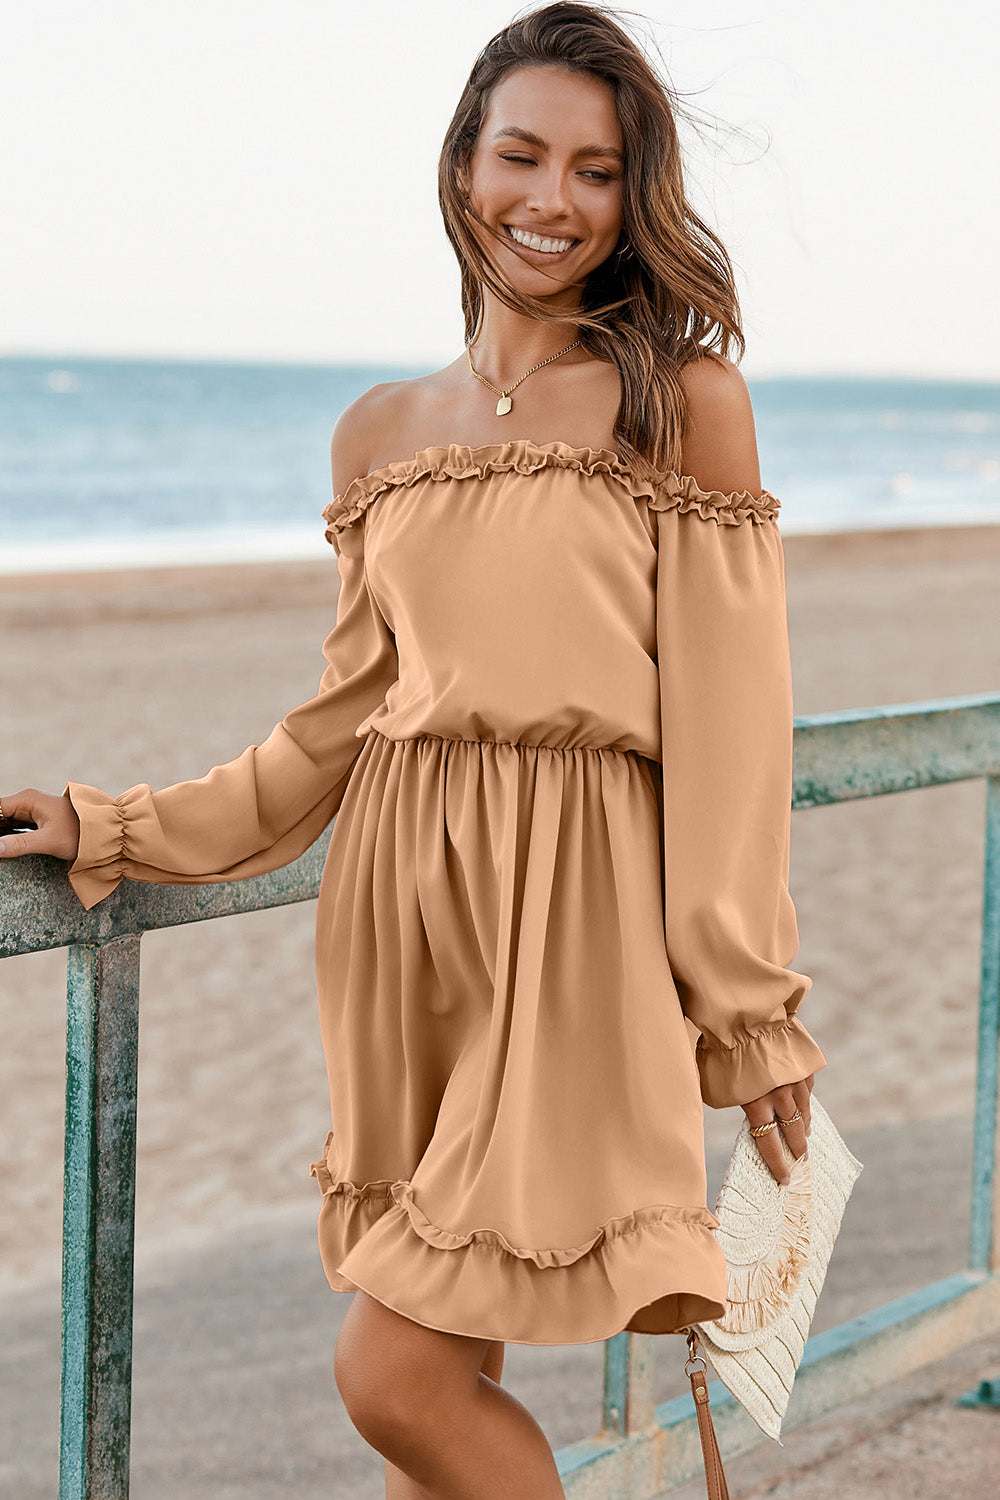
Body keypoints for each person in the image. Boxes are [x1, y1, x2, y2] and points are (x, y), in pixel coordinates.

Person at [1, 4, 829, 1495]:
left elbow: (730, 732)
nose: (552, 202)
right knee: (455, 1355)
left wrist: (748, 1001)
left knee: (394, 1376)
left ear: (632, 195)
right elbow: (338, 720)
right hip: (402, 924)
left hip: (575, 929)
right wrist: (115, 826)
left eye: (595, 170)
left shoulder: (680, 401)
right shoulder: (380, 431)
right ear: (462, 167)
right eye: (523, 156)